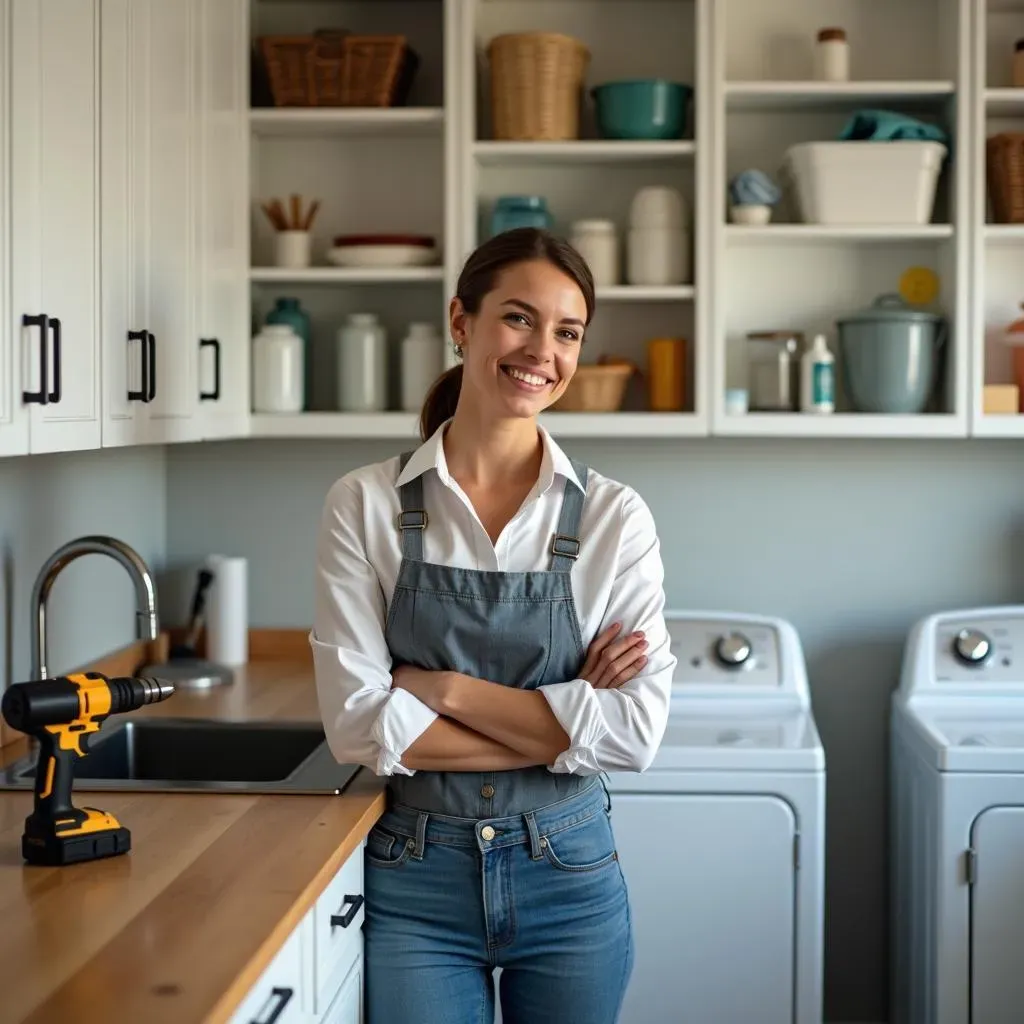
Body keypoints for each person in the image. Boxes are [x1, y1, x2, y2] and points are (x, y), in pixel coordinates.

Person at [310, 226, 677, 1024]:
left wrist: (440, 689)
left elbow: (634, 735)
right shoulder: (366, 504)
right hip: (416, 880)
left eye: (568, 332)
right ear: (462, 321)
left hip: (570, 875)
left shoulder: (615, 516)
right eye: (519, 318)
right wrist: (567, 712)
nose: (541, 349)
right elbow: (357, 730)